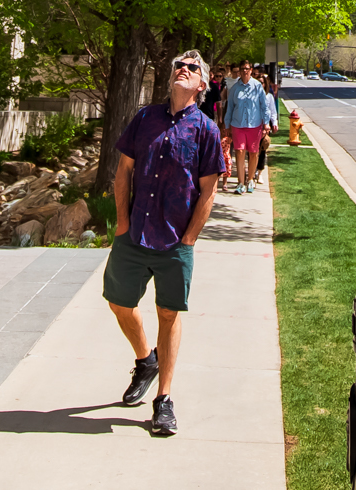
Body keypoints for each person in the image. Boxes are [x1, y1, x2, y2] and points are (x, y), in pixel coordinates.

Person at [107, 48, 224, 439]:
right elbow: (123, 170)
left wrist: (189, 238)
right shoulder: (145, 118)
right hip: (135, 232)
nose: (182, 70)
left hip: (175, 239)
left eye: (191, 68)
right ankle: (145, 360)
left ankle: (164, 399)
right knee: (119, 303)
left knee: (168, 314)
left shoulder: (205, 129)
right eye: (179, 65)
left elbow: (209, 191)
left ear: (202, 84)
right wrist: (122, 222)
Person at [223, 62, 269, 195]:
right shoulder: (235, 88)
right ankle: (241, 183)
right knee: (239, 152)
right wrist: (227, 125)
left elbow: (264, 106)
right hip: (238, 125)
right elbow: (230, 107)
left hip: (254, 125)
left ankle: (250, 180)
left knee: (253, 153)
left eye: (247, 69)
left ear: (251, 70)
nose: (244, 71)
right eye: (242, 69)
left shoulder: (257, 86)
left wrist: (266, 123)